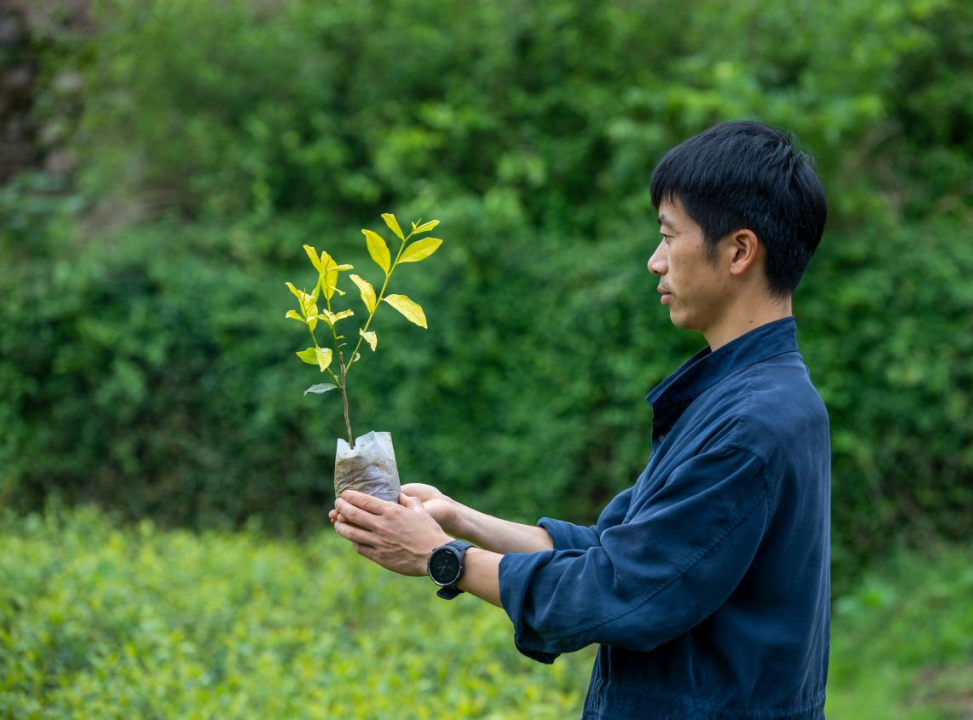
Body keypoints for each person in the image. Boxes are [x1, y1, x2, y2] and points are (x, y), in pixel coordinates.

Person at [329, 120, 831, 720]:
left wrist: (444, 559)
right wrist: (460, 520)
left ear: (740, 251)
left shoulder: (754, 423)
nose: (655, 262)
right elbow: (608, 550)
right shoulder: (741, 397)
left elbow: (620, 593)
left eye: (669, 238)